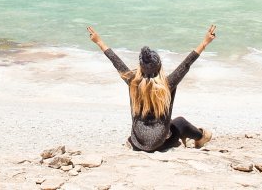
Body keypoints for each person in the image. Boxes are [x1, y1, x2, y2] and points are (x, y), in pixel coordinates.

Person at [87, 24, 216, 152]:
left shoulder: (133, 82)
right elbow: (186, 64)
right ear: (159, 67)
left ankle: (187, 136)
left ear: (140, 66)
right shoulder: (167, 84)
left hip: (137, 143)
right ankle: (201, 136)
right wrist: (205, 42)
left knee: (169, 122)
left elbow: (116, 62)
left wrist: (98, 41)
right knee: (180, 122)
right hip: (161, 144)